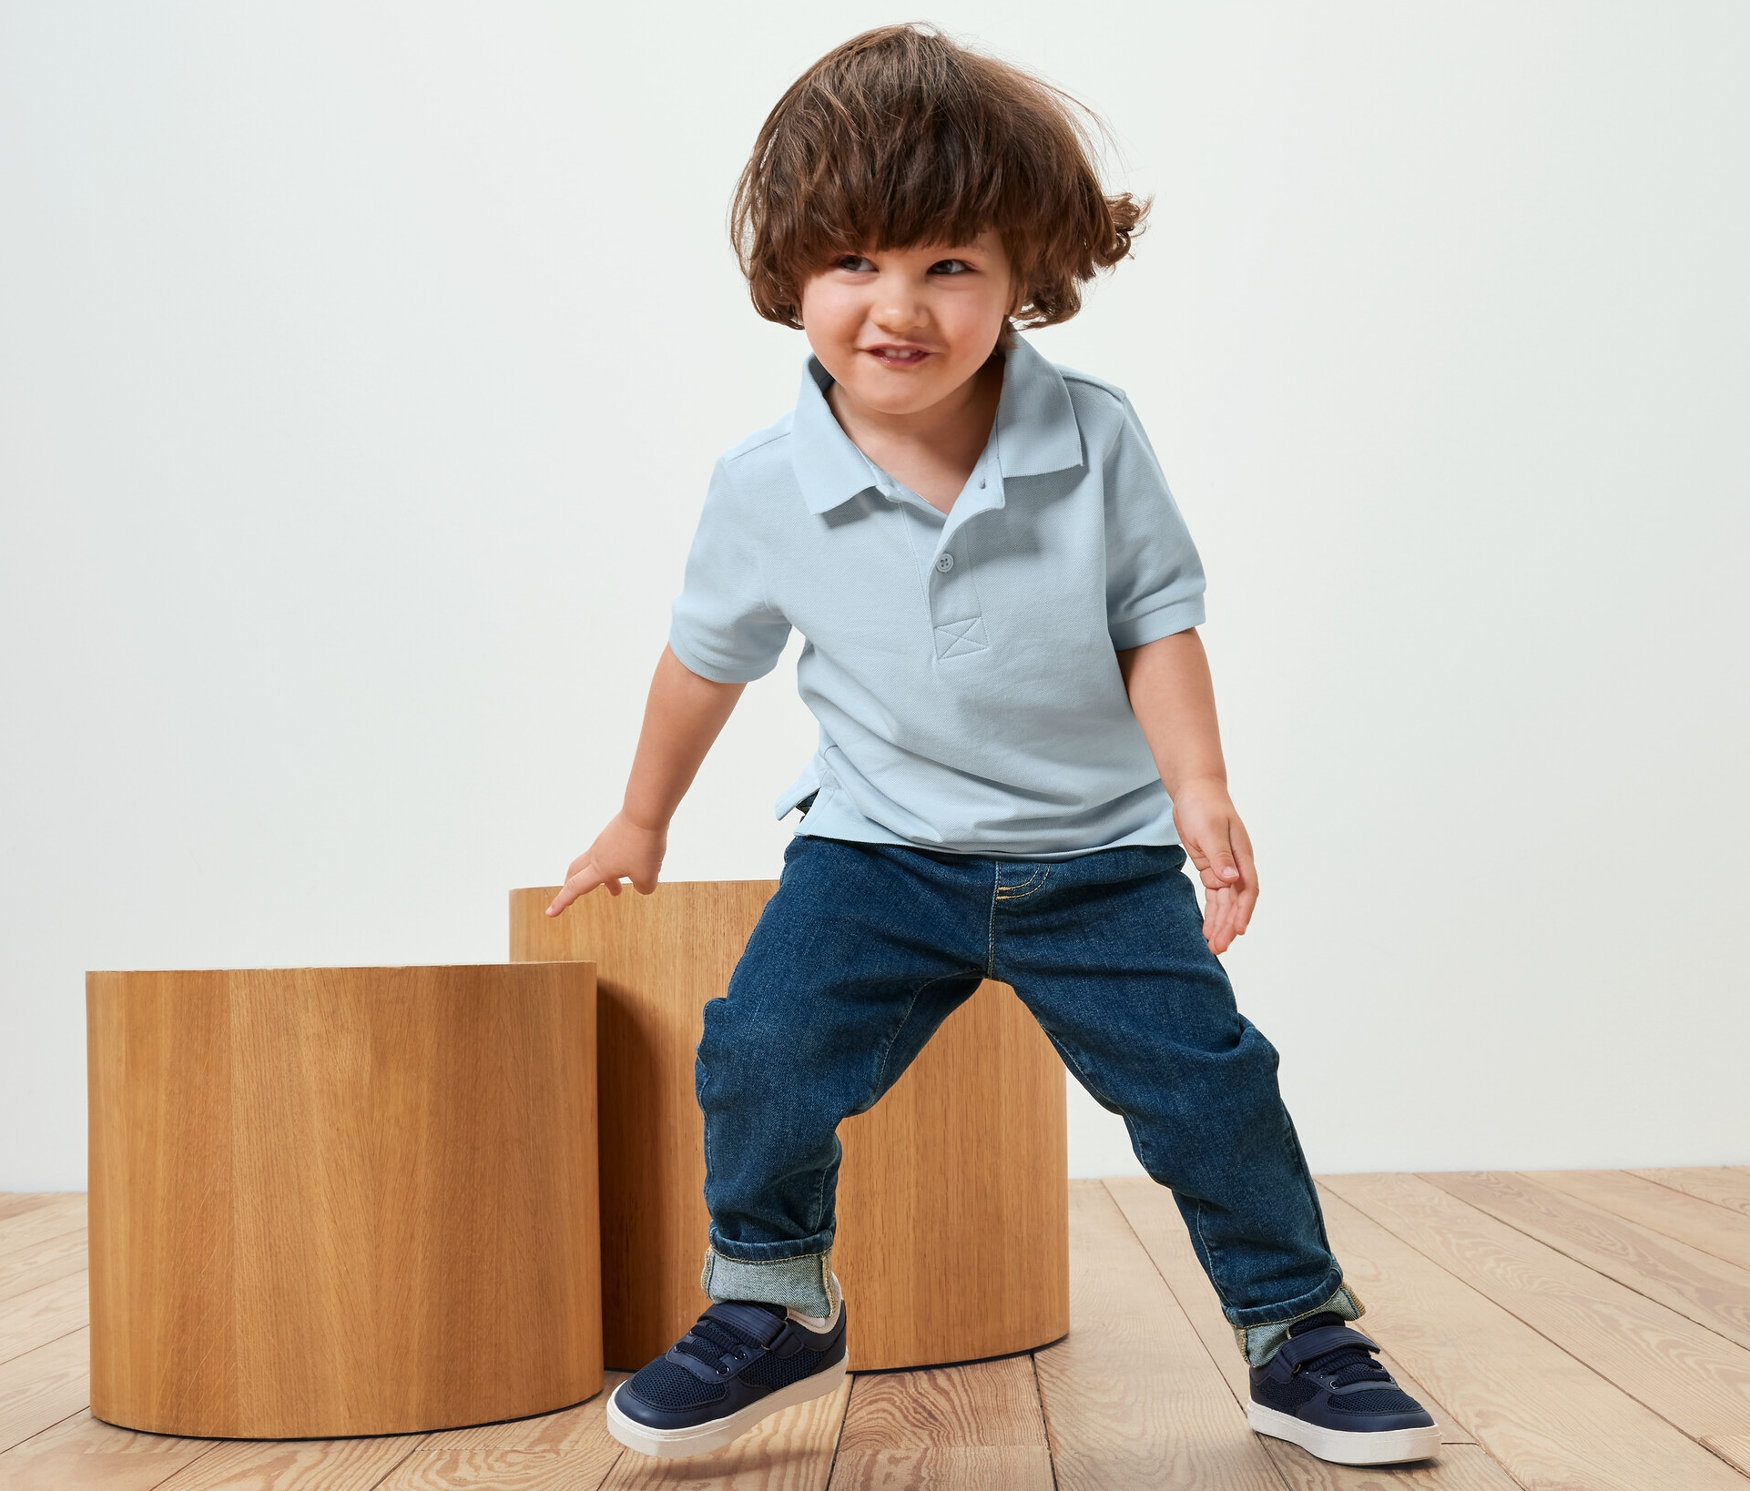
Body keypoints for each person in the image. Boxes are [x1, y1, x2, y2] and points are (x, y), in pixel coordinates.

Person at [545, 22, 1440, 1469]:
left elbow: (1155, 617)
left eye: (948, 264)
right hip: (874, 854)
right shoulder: (766, 484)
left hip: (1093, 860)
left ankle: (1301, 1335)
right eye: (854, 262)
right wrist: (639, 818)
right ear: (791, 277)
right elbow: (706, 660)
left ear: (1028, 276)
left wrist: (1199, 790)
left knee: (1210, 1085)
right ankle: (774, 1296)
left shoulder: (1090, 437)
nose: (896, 306)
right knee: (760, 1048)